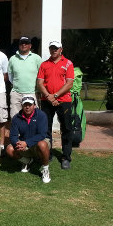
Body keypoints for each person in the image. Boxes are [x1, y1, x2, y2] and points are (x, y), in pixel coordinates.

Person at [37, 40, 75, 170]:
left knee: (66, 128)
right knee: (45, 128)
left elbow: (69, 83)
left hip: (63, 101)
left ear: (61, 50)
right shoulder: (44, 64)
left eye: (56, 48)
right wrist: (49, 96)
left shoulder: (68, 63)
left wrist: (56, 95)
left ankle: (66, 157)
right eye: (52, 48)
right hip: (47, 100)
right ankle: (48, 154)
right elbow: (40, 83)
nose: (54, 50)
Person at [5, 96, 51, 183]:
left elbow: (42, 134)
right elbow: (13, 136)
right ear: (22, 106)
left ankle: (45, 169)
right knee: (9, 149)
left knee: (43, 144)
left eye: (30, 105)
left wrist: (26, 142)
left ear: (34, 106)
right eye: (25, 105)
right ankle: (28, 161)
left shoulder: (41, 115)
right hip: (24, 145)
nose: (27, 107)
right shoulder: (16, 118)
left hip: (37, 144)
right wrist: (17, 144)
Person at [8, 36, 42, 118]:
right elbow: (10, 76)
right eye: (21, 43)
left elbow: (41, 76)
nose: (24, 45)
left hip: (32, 92)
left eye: (26, 43)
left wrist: (38, 91)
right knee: (15, 117)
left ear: (30, 45)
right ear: (19, 45)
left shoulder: (36, 58)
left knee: (33, 117)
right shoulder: (12, 59)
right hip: (16, 93)